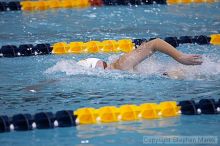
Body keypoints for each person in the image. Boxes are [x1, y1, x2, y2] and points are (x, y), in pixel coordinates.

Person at [77, 38, 203, 74]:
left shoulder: (121, 65)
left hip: (183, 72)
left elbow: (156, 43)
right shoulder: (116, 67)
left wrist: (181, 57)